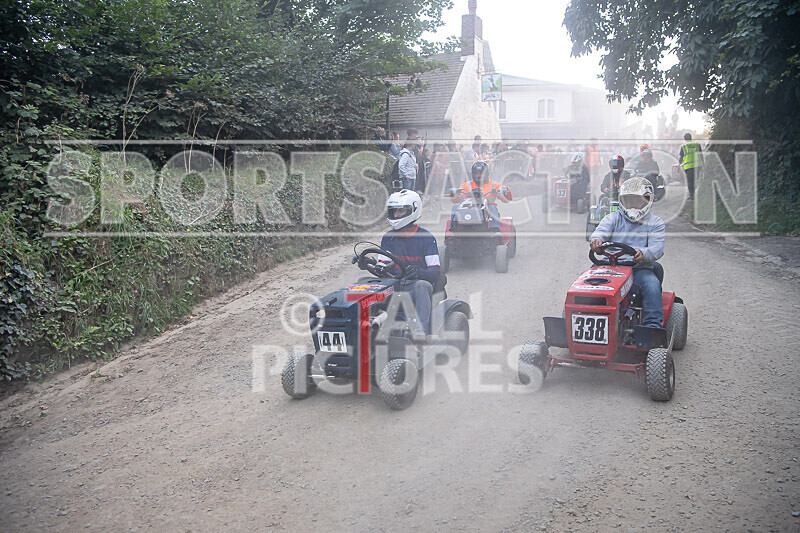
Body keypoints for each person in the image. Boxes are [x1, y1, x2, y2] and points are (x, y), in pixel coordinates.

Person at [589, 177, 665, 328]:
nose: (632, 205)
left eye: (636, 201)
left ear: (647, 201)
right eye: (628, 200)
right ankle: (585, 317)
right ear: (621, 201)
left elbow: (657, 248)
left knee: (652, 285)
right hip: (609, 267)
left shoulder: (655, 223)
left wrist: (642, 253)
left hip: (638, 269)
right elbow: (600, 231)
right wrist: (597, 240)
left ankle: (652, 326)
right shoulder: (613, 218)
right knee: (586, 283)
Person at [380, 190, 441, 341]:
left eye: (401, 211)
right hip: (395, 284)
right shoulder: (388, 238)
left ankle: (420, 334)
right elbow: (383, 265)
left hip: (415, 286)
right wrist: (368, 264)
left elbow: (435, 272)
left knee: (421, 285)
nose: (396, 215)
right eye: (394, 211)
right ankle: (368, 325)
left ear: (413, 210)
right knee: (364, 284)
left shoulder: (426, 238)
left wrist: (417, 272)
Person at [452, 161, 512, 233]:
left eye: (481, 173)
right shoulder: (467, 185)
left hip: (487, 210)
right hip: (470, 208)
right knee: (455, 207)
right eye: (477, 173)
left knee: (492, 207)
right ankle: (452, 228)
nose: (479, 175)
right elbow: (459, 197)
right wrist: (455, 193)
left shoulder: (494, 184)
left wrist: (505, 190)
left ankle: (495, 228)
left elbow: (507, 199)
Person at [679, 133, 703, 200]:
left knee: (690, 182)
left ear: (684, 139)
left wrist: (679, 164)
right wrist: (703, 163)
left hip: (688, 167)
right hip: (698, 165)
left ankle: (692, 196)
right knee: (696, 180)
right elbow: (701, 155)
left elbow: (681, 158)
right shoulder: (697, 145)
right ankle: (698, 194)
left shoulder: (683, 146)